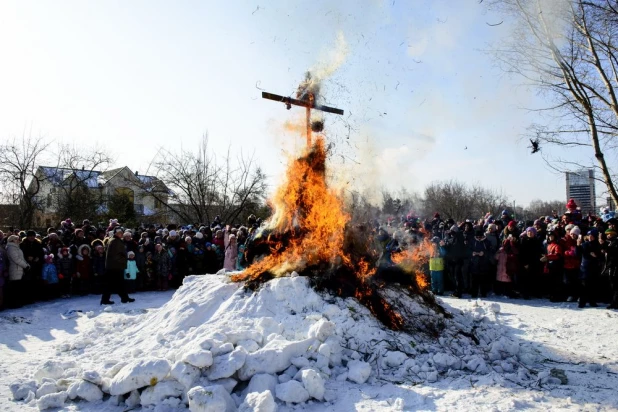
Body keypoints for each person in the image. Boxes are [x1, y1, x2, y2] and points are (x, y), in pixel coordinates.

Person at [101, 228, 134, 305]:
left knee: (116, 284)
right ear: (115, 233)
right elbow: (115, 255)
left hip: (113, 265)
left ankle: (124, 298)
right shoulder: (115, 241)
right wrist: (123, 260)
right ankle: (107, 300)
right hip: (115, 266)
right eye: (119, 232)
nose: (121, 234)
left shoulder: (114, 240)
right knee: (115, 283)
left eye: (121, 232)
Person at [6, 235, 30, 308]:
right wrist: (25, 265)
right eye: (16, 239)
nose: (18, 240)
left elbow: (21, 258)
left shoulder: (16, 247)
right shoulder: (11, 248)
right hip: (15, 269)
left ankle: (18, 302)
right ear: (12, 240)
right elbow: (16, 259)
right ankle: (14, 303)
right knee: (15, 287)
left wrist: (27, 264)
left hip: (19, 269)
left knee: (18, 287)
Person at [579, 228, 601, 308]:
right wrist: (578, 246)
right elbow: (578, 253)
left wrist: (596, 256)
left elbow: (600, 255)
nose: (590, 237)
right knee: (584, 286)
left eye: (592, 236)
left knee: (593, 285)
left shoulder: (598, 245)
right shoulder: (585, 244)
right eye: (589, 235)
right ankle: (582, 302)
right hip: (585, 267)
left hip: (594, 267)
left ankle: (592, 301)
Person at [602, 228, 618, 309]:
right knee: (612, 285)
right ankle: (613, 301)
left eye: (609, 234)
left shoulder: (615, 242)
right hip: (609, 266)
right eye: (607, 234)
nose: (608, 236)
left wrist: (604, 246)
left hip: (614, 266)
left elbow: (613, 252)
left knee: (615, 286)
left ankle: (615, 303)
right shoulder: (609, 243)